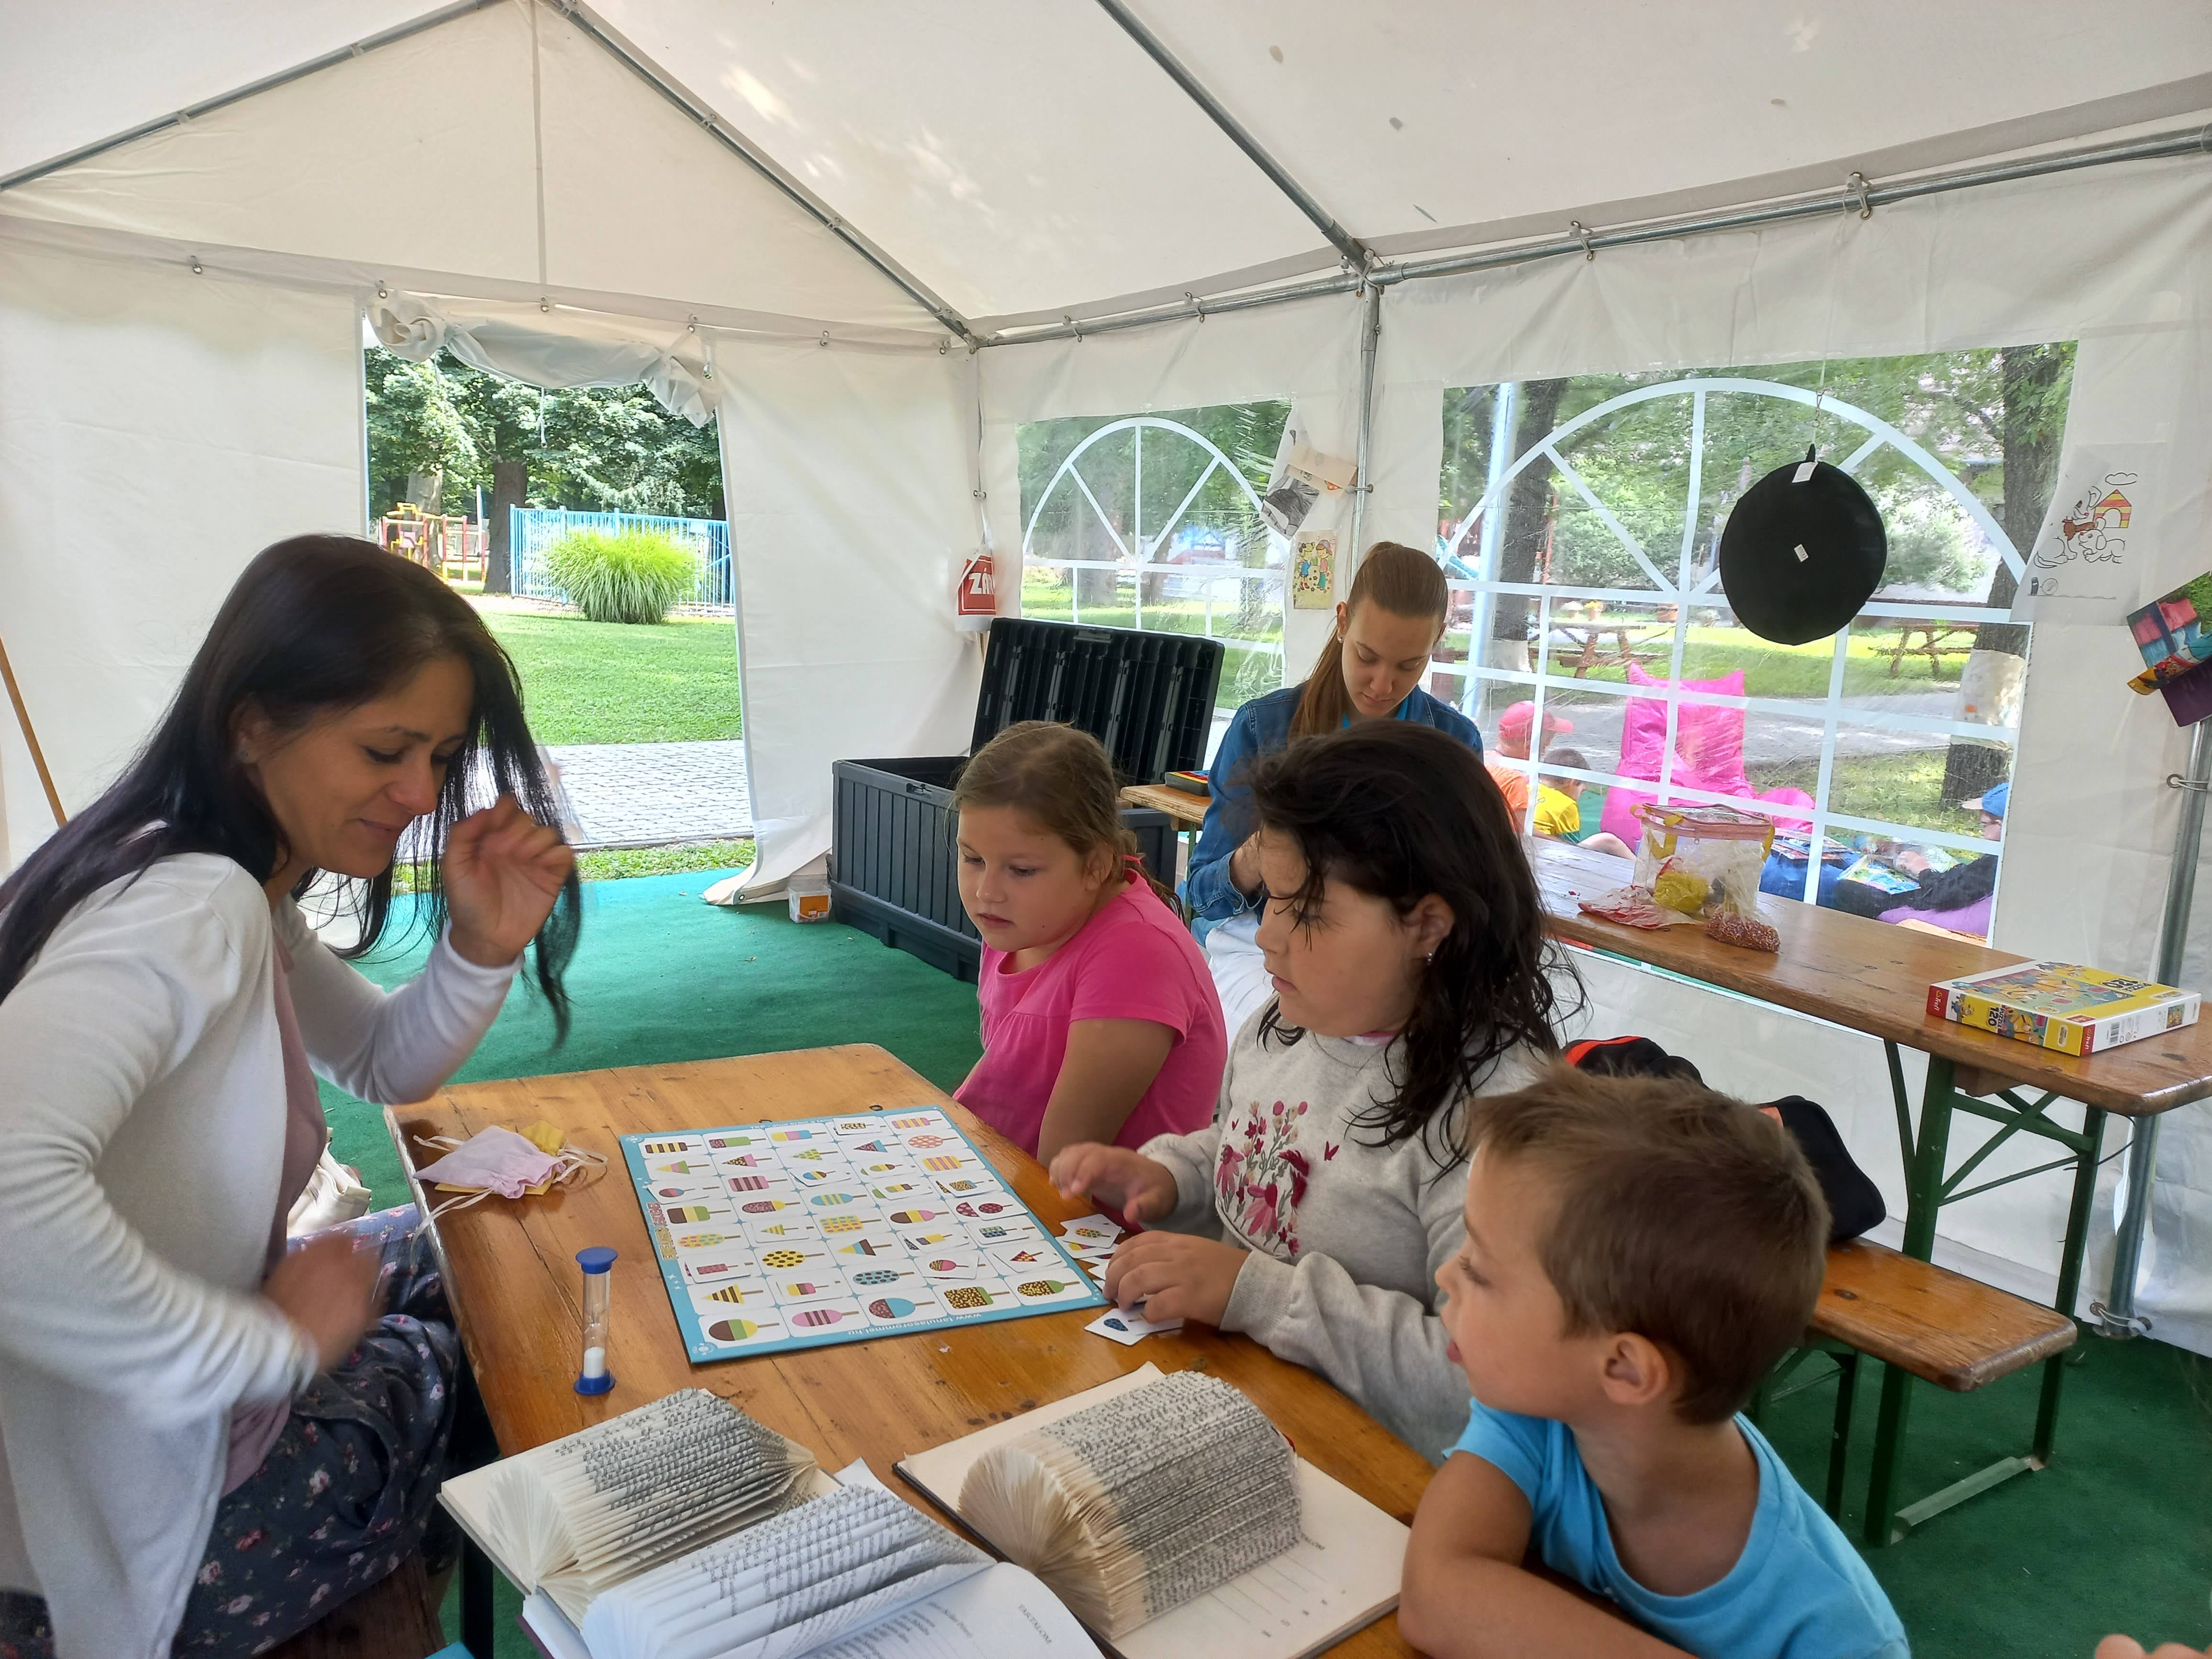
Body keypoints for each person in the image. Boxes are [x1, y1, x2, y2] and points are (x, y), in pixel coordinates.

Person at [0, 535, 580, 1659]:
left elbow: (382, 1061)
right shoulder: (192, 903)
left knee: (471, 1244)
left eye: (439, 756)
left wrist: (479, 946)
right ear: (252, 723)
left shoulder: (208, 870)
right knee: (482, 1345)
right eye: (384, 749)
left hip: (117, 1446)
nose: (420, 794)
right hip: (139, 1530)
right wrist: (263, 1346)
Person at [1051, 722, 1563, 1460]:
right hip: (1240, 1405)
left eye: (1306, 909)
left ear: (1427, 925)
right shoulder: (1289, 1022)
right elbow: (1253, 1146)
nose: (1267, 934)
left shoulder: (1500, 1122)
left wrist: (1259, 1294)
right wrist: (1172, 1177)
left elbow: (1486, 1385)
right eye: (1273, 897)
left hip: (1379, 1477)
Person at [1401, 1065, 1908, 1659]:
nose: (1446, 1275)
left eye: (1479, 1272)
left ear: (1624, 1369)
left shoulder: (1839, 1635)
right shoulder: (1537, 1419)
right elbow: (1438, 1595)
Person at [1188, 543, 1482, 1035]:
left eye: (1409, 665)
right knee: (1297, 1034)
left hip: (1388, 954)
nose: (1382, 685)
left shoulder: (1454, 743)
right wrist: (1260, 854)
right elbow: (1201, 896)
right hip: (1262, 941)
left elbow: (1466, 892)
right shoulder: (1264, 726)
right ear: (1342, 622)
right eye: (1367, 657)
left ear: (1437, 642)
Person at [951, 721, 1225, 1165]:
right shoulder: (1021, 920)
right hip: (997, 1172)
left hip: (1077, 1205)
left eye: (1022, 870)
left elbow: (1062, 1167)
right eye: (973, 858)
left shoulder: (1137, 954)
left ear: (1096, 866)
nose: (987, 891)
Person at [1530, 744, 1635, 859]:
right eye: (1582, 791)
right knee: (1608, 839)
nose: (1580, 797)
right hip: (1543, 853)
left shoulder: (1529, 787)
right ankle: (1640, 866)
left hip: (1525, 845)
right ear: (1573, 782)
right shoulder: (1567, 805)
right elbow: (1572, 847)